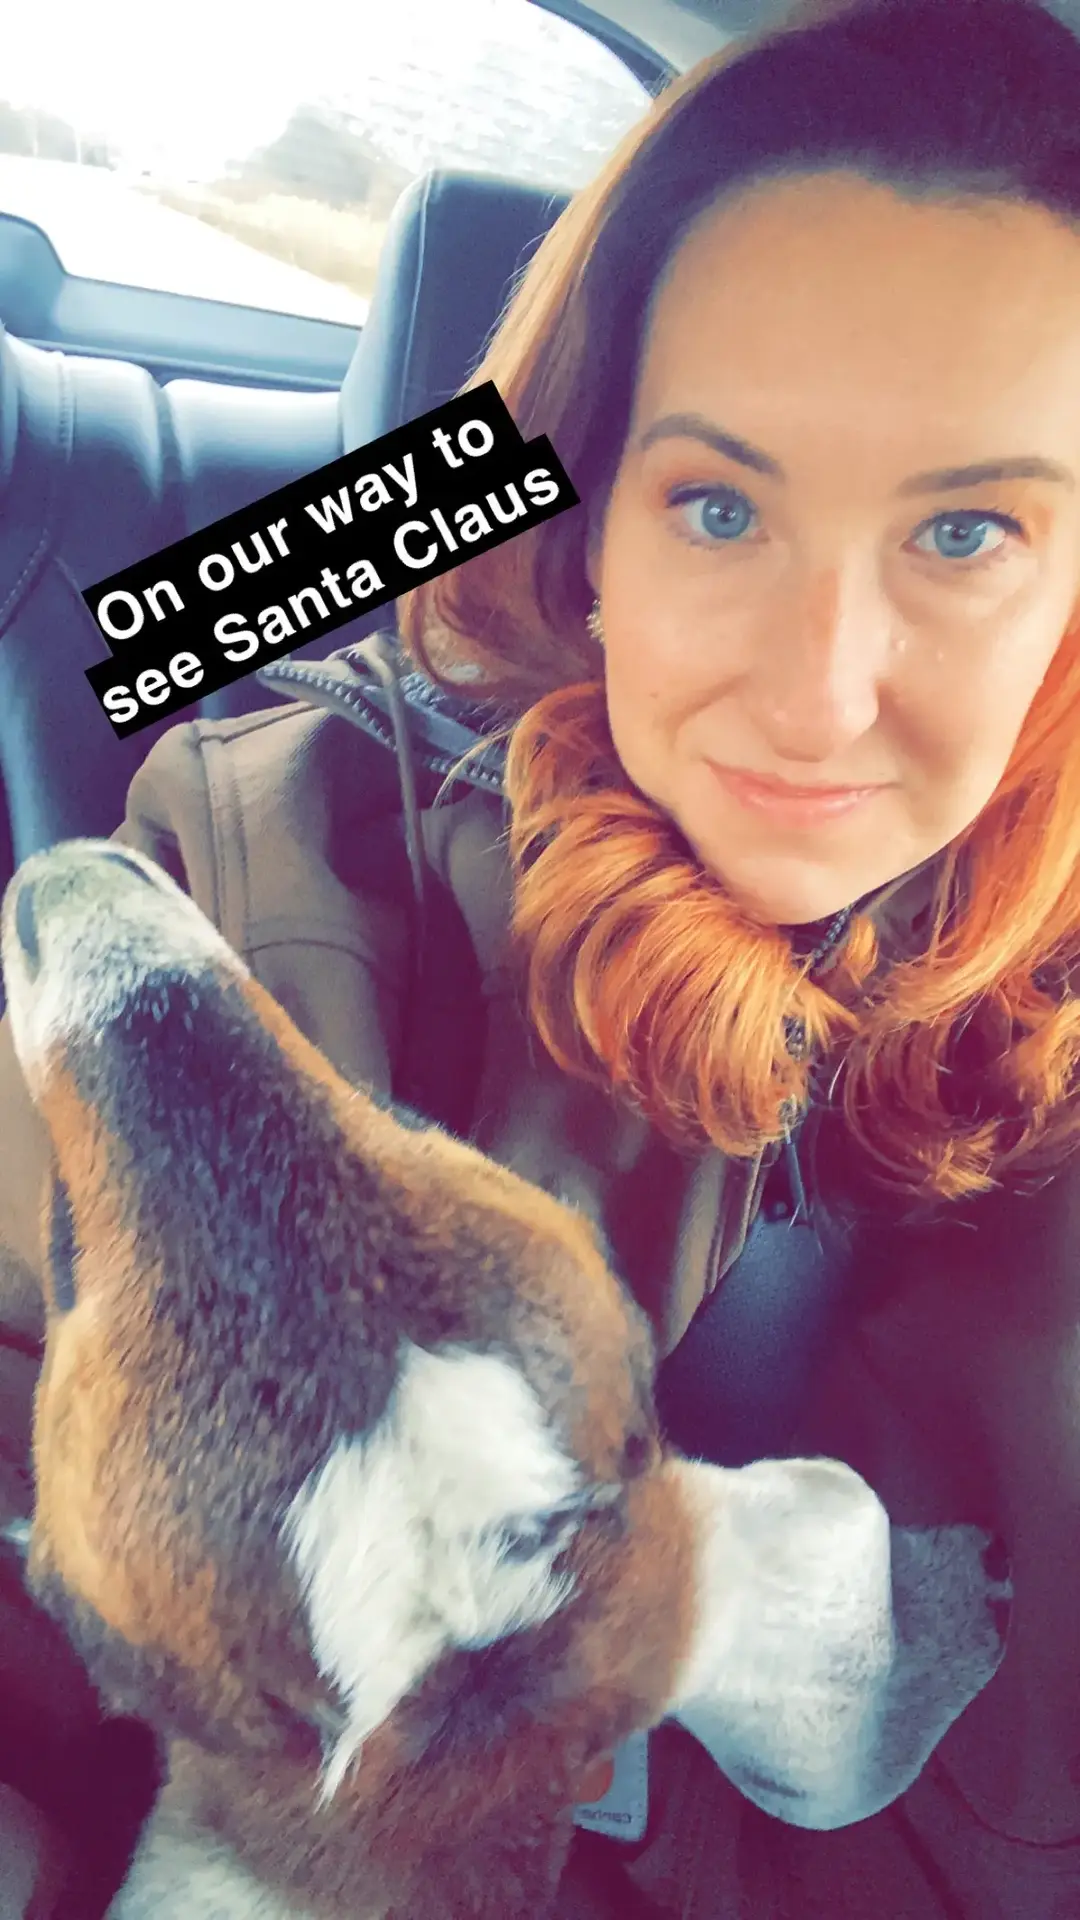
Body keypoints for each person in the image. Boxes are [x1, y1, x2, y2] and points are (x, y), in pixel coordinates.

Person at [3, 0, 1080, 1911]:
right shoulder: (299, 873)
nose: (822, 698)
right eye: (718, 503)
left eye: (971, 530)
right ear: (592, 515)